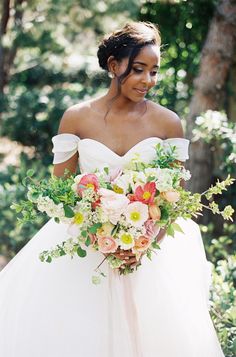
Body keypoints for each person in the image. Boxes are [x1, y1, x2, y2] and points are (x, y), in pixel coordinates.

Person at [0, 21, 225, 357]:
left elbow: (175, 197)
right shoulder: (76, 118)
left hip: (151, 253)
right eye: (138, 70)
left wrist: (144, 242)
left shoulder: (168, 123)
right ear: (113, 65)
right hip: (86, 246)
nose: (148, 81)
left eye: (154, 71)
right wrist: (97, 234)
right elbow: (61, 192)